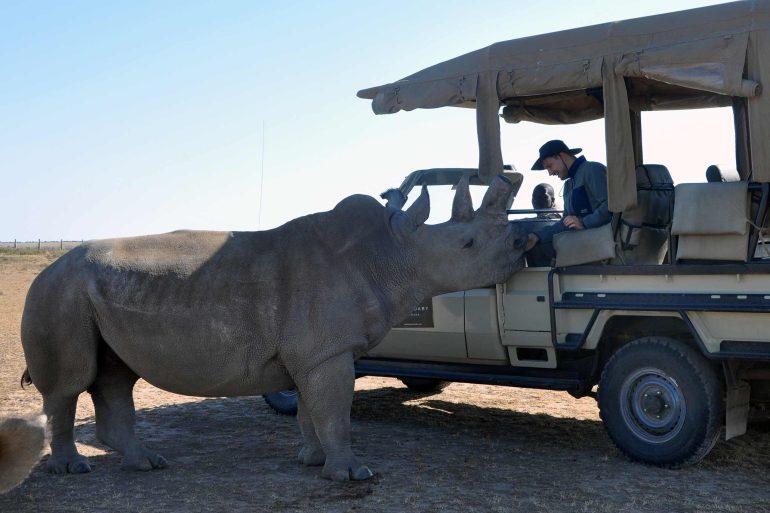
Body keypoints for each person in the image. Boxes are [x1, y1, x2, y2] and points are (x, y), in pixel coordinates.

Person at [524, 140, 611, 264]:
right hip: (578, 240)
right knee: (533, 245)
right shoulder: (568, 185)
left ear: (562, 156)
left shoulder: (592, 170)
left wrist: (584, 223)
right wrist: (537, 236)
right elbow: (565, 222)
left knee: (541, 249)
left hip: (598, 237)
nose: (550, 173)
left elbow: (611, 206)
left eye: (550, 166)